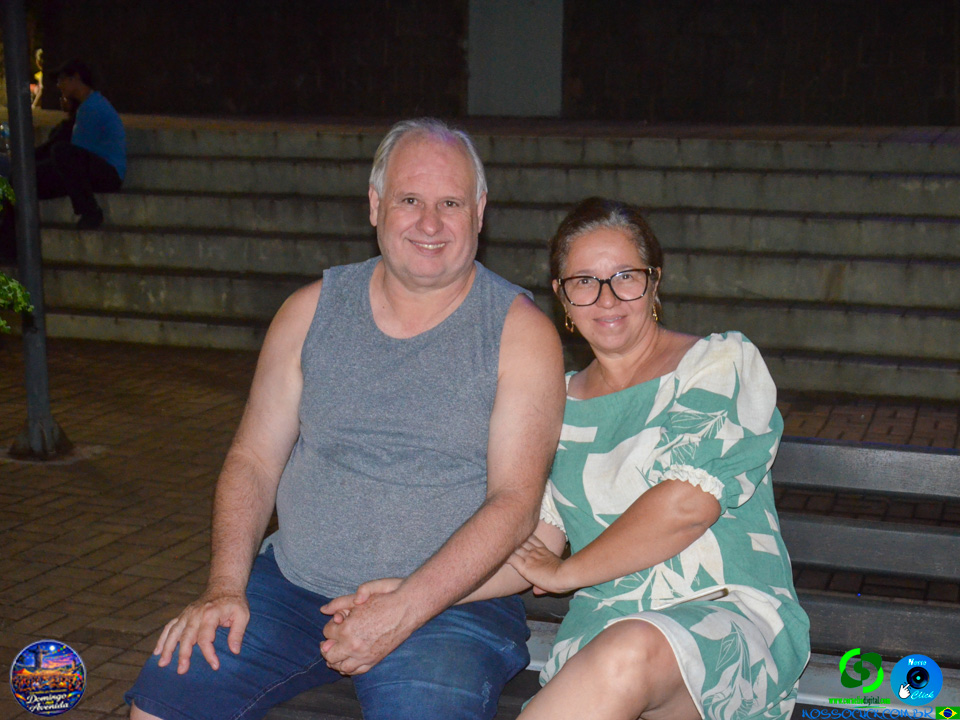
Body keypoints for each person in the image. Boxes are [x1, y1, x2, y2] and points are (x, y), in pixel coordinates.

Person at [125, 118, 566, 720]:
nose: (430, 223)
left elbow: (514, 503)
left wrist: (405, 607)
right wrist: (225, 587)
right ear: (375, 204)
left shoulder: (519, 334)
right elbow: (253, 460)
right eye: (409, 200)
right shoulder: (309, 312)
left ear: (480, 212)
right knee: (164, 700)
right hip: (292, 588)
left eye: (451, 203)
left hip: (452, 606)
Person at [331, 196, 811, 719]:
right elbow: (533, 548)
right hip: (604, 633)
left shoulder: (717, 364)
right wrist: (412, 594)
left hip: (721, 619)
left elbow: (687, 506)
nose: (607, 298)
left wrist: (567, 573)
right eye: (584, 281)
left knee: (630, 651)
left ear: (654, 281)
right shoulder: (557, 404)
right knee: (621, 651)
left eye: (625, 276)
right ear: (562, 295)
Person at [35, 58, 125, 229]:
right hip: (94, 168)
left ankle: (90, 210)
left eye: (62, 80)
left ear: (75, 78)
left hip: (109, 172)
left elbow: (75, 153)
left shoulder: (92, 107)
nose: (59, 85)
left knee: (61, 152)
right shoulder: (86, 106)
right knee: (29, 177)